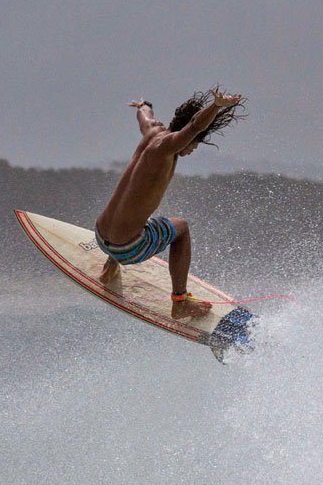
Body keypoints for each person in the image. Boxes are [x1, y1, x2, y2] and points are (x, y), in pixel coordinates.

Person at [94, 87, 245, 319]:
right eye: (196, 143)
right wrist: (216, 107)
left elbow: (145, 116)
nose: (194, 148)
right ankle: (180, 301)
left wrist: (143, 105)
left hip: (100, 235)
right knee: (181, 228)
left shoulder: (152, 132)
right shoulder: (166, 147)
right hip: (128, 248)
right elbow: (195, 125)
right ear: (187, 136)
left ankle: (109, 266)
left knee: (135, 213)